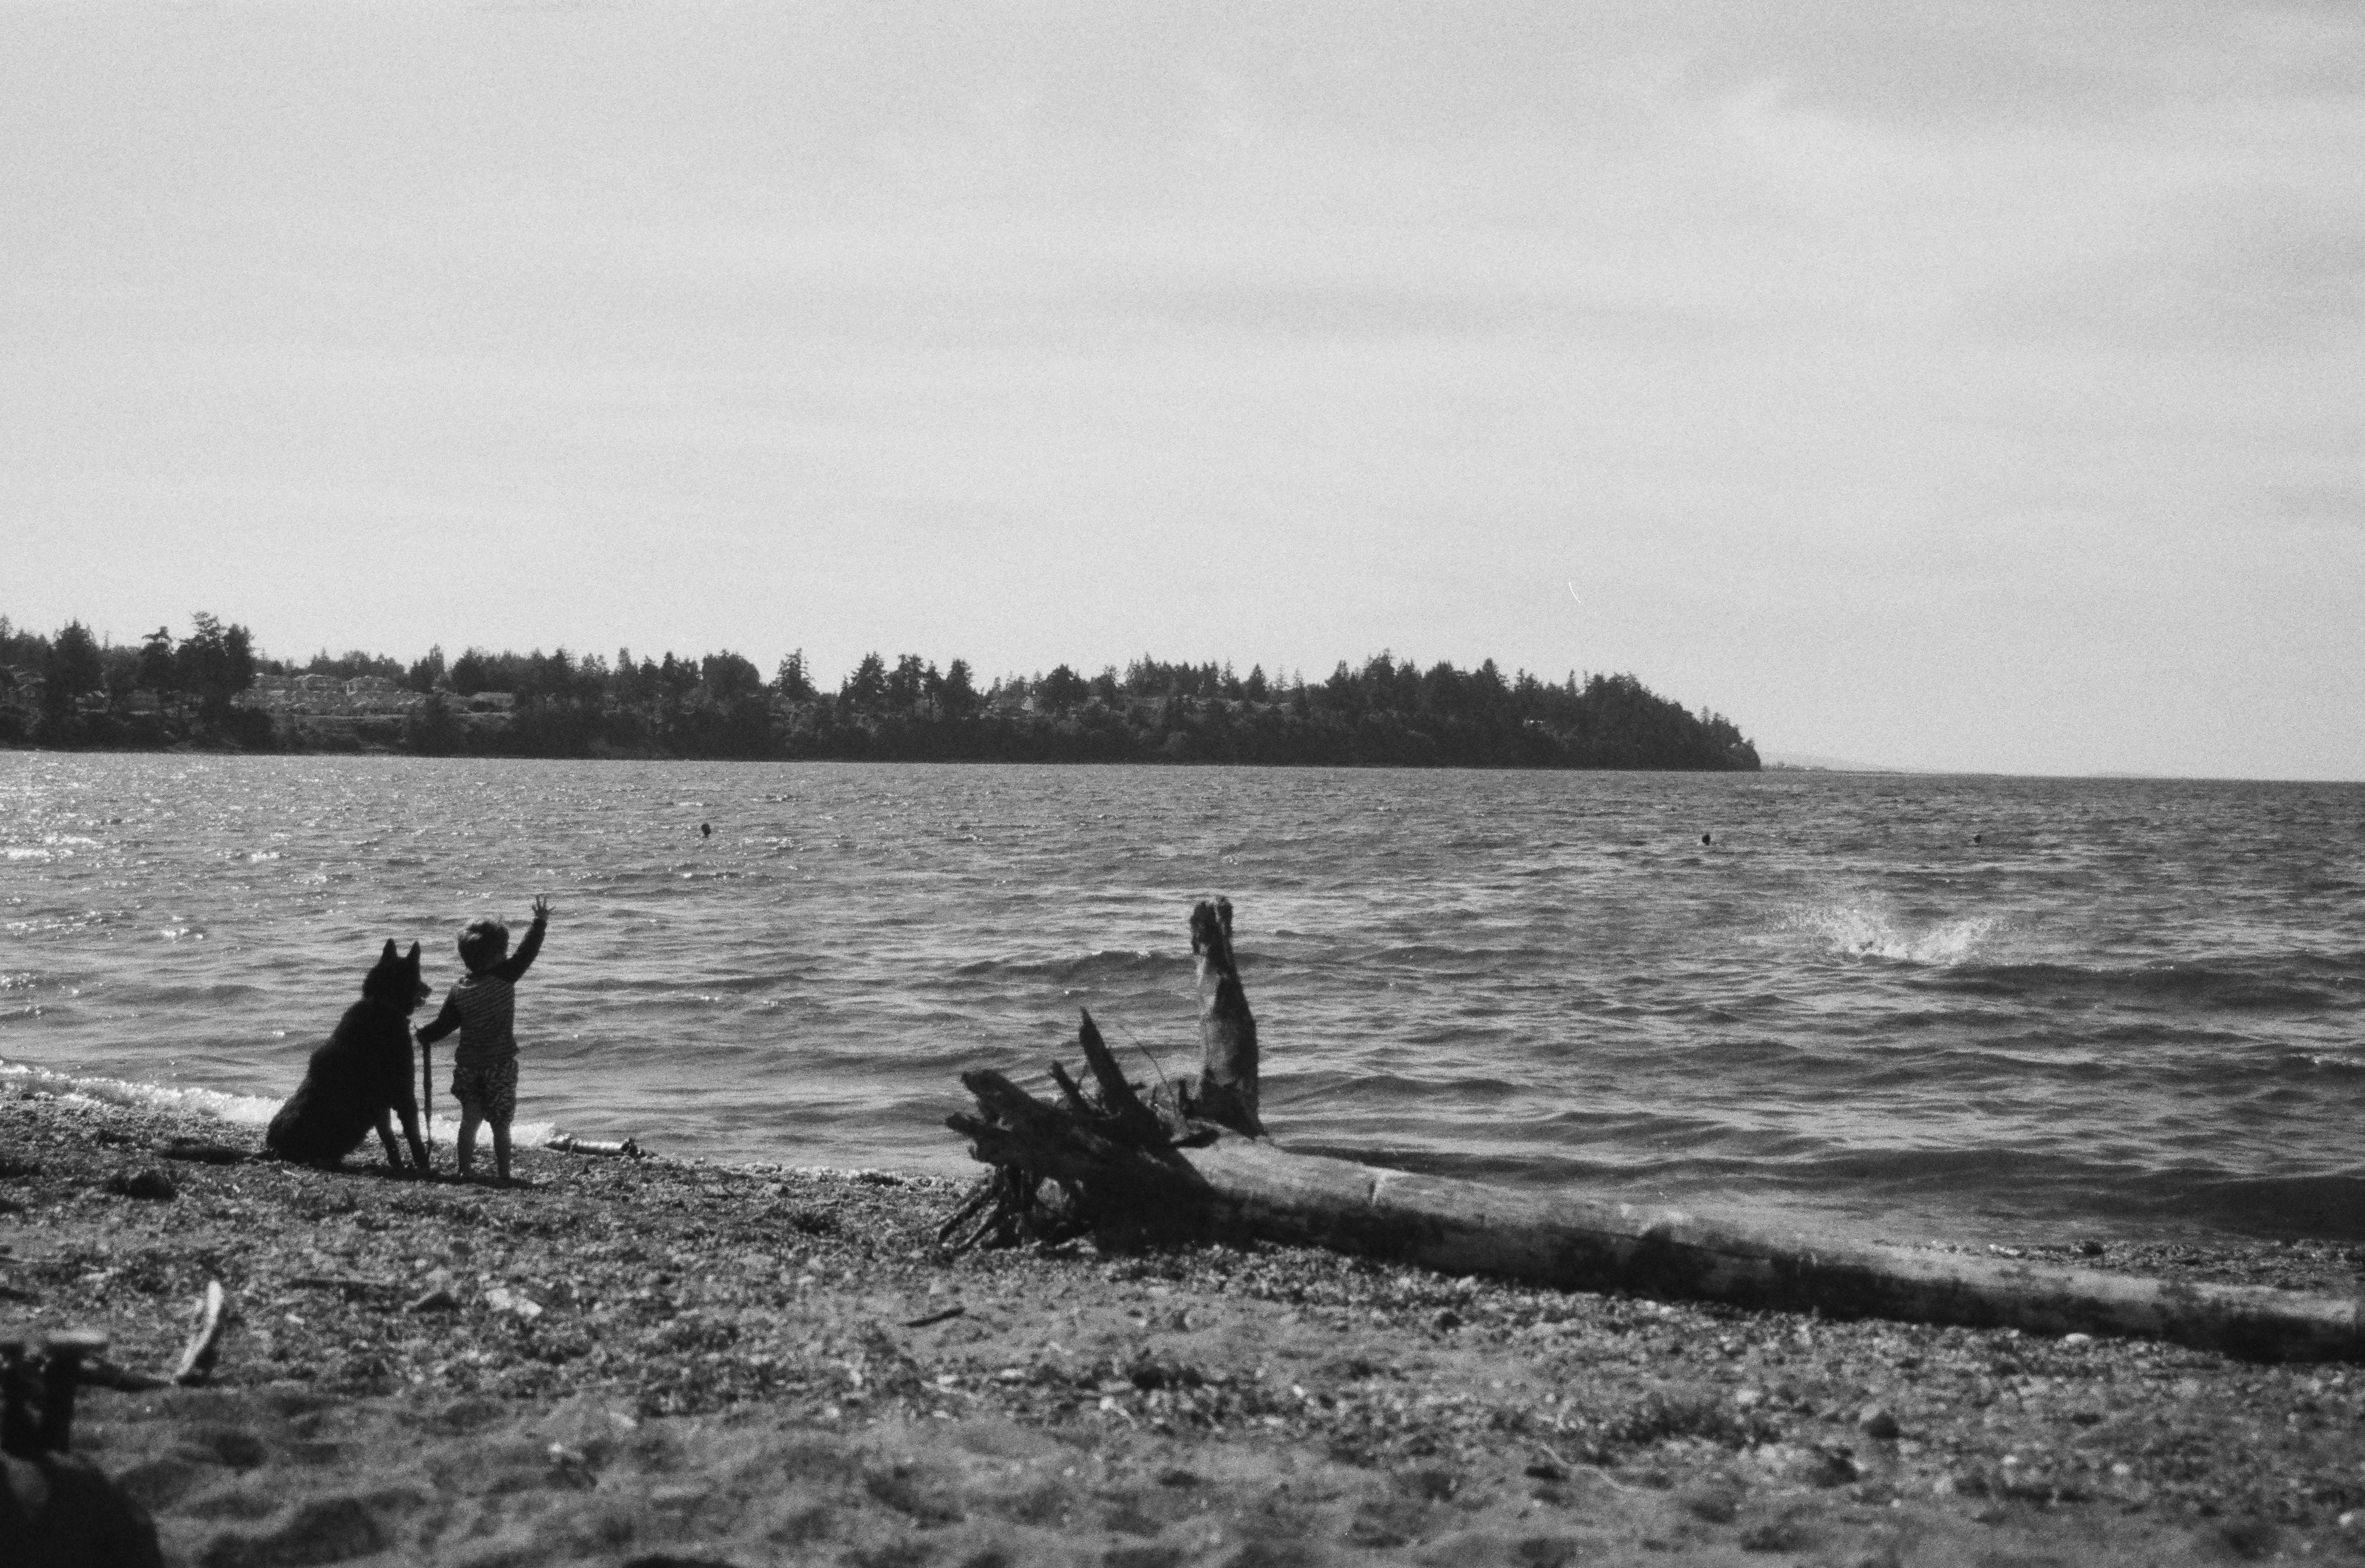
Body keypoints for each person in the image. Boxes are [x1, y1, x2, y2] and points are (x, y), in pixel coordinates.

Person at [415, 896, 549, 1184]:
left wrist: (423, 1035)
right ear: (499, 956)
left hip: (468, 1066)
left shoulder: (460, 989)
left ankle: (465, 1171)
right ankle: (504, 1175)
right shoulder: (505, 976)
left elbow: (444, 1026)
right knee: (501, 1124)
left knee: (470, 1120)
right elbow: (527, 953)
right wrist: (539, 924)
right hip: (499, 1065)